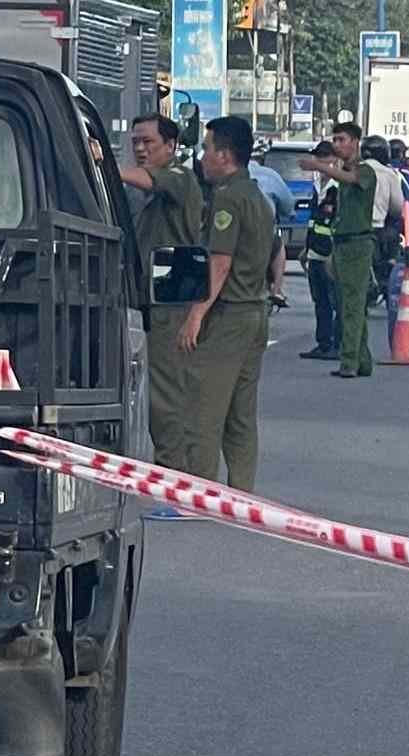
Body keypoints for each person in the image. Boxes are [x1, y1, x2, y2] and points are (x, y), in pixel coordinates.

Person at [178, 115, 274, 490]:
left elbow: (220, 261)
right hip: (255, 312)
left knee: (204, 408)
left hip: (229, 315)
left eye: (207, 149)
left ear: (225, 155)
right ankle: (241, 493)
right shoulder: (259, 199)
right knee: (241, 414)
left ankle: (197, 494)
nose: (202, 158)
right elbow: (276, 255)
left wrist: (196, 315)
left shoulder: (229, 199)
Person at [119, 113, 204, 500]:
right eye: (136, 141)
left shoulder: (179, 178)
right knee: (156, 395)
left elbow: (147, 178)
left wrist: (102, 163)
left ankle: (175, 483)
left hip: (173, 303)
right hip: (154, 301)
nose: (140, 149)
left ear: (170, 147)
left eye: (148, 142)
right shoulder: (153, 192)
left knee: (167, 398)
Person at [298, 121, 378, 379]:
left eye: (342, 139)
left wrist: (320, 166)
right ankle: (362, 359)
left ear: (355, 142)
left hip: (357, 243)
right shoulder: (341, 174)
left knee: (352, 305)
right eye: (335, 140)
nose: (338, 144)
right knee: (346, 304)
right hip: (341, 243)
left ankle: (349, 361)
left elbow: (351, 178)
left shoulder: (365, 171)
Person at [299, 143, 341, 361]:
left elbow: (337, 222)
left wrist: (334, 253)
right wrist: (306, 249)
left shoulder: (338, 185)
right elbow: (314, 220)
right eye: (317, 158)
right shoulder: (317, 185)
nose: (319, 163)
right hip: (315, 250)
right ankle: (323, 343)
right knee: (320, 301)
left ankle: (337, 344)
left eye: (324, 158)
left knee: (335, 300)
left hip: (331, 253)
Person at [247, 138, 297, 307]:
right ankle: (277, 289)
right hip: (263, 233)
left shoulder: (226, 174)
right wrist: (289, 214)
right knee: (278, 244)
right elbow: (288, 205)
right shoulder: (270, 175)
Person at [361, 136, 408, 299]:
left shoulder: (350, 170)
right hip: (377, 228)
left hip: (351, 230)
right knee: (393, 248)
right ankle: (386, 277)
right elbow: (398, 207)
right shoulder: (389, 174)